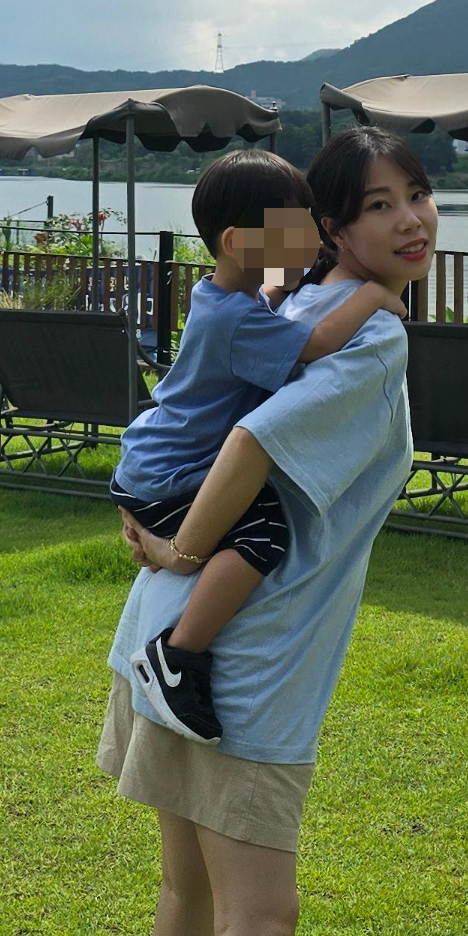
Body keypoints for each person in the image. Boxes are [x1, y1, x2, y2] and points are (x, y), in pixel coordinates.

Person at [97, 126, 435, 936]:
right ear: (328, 232)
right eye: (380, 207)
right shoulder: (374, 335)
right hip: (237, 677)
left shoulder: (292, 301)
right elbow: (248, 450)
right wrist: (191, 553)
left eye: (422, 198)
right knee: (260, 923)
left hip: (163, 650)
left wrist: (172, 556)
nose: (412, 222)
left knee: (193, 896)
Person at [113, 149, 405, 745]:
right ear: (237, 241)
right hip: (174, 472)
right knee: (261, 533)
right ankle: (177, 654)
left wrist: (282, 280)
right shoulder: (239, 319)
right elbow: (320, 341)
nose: (312, 238)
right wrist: (373, 295)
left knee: (252, 525)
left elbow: (274, 295)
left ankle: (178, 644)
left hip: (152, 460)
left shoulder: (226, 295)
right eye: (294, 230)